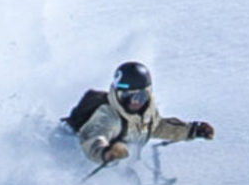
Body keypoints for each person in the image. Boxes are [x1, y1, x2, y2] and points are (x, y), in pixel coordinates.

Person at [69, 60, 214, 165]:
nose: (134, 102)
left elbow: (156, 127)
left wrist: (191, 130)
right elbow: (94, 137)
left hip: (115, 167)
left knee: (128, 181)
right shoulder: (109, 116)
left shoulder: (147, 111)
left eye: (140, 96)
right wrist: (107, 152)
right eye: (126, 97)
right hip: (82, 162)